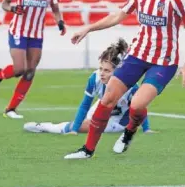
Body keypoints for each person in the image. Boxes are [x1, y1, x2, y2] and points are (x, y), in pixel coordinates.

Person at [64, 0, 185, 159]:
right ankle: (87, 150)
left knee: (137, 104)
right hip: (137, 56)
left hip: (163, 62)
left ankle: (129, 131)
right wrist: (87, 28)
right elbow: (117, 16)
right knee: (107, 99)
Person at [23, 39, 154, 134]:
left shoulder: (130, 85)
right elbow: (85, 105)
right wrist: (74, 130)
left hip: (117, 122)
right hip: (102, 105)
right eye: (101, 68)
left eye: (107, 71)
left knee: (86, 126)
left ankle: (45, 127)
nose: (102, 73)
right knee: (79, 124)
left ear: (118, 71)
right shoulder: (95, 78)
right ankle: (66, 128)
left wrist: (147, 129)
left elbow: (140, 108)